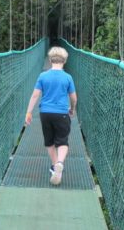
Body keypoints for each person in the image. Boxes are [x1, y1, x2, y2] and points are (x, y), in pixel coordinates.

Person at [25, 46, 77, 185]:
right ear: (64, 60)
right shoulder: (68, 77)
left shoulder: (43, 76)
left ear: (50, 59)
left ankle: (55, 168)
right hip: (61, 113)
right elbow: (73, 97)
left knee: (49, 141)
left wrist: (29, 112)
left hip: (45, 113)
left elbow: (35, 95)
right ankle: (60, 163)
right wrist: (72, 108)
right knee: (62, 141)